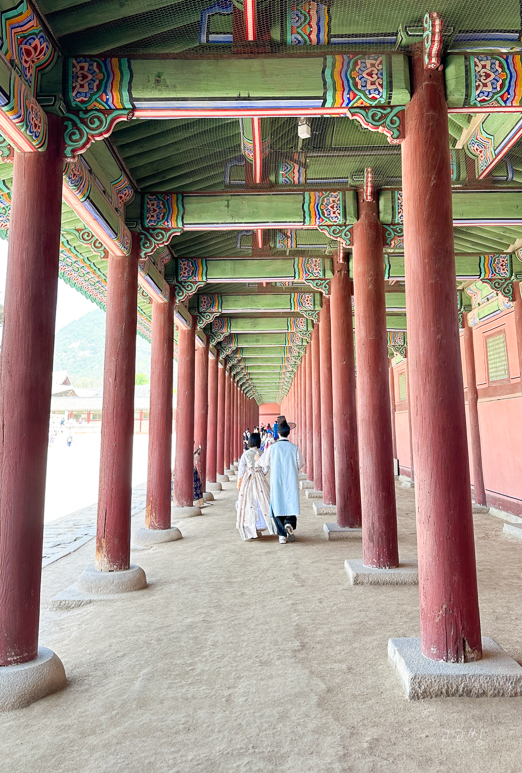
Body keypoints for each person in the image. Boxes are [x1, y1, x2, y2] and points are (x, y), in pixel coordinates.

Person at [259, 417, 304, 544]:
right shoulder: (294, 448)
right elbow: (301, 463)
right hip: (291, 480)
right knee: (290, 501)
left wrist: (258, 458)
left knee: (277, 504)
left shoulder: (273, 448)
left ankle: (282, 536)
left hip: (276, 480)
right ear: (288, 433)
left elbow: (264, 462)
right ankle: (289, 523)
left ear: (278, 433)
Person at [236, 433, 275, 541]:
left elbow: (241, 470)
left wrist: (240, 483)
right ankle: (261, 526)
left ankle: (252, 530)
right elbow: (266, 467)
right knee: (262, 501)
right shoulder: (262, 453)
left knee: (248, 502)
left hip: (248, 480)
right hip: (260, 479)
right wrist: (261, 473)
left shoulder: (245, 454)